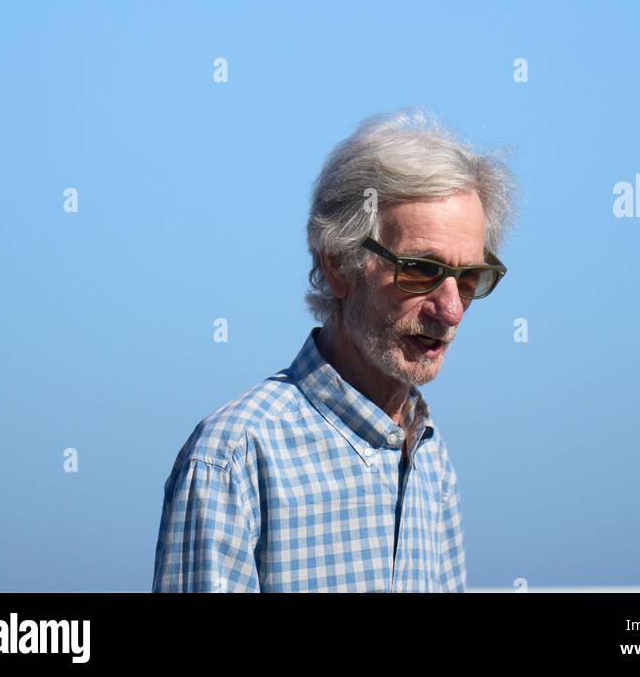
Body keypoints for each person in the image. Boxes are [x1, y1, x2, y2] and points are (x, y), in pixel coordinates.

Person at [151, 106, 516, 592]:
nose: (450, 310)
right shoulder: (235, 459)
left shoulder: (430, 456)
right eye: (421, 270)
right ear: (339, 265)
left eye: (469, 277)